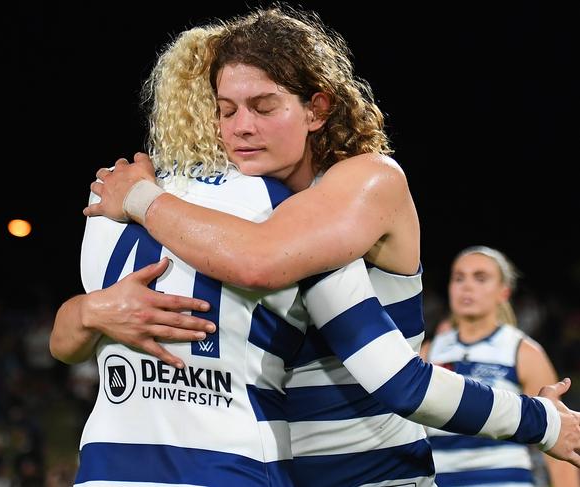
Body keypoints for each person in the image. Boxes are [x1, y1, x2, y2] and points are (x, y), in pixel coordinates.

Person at [56, 5, 580, 487]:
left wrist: (140, 196)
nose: (241, 128)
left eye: (264, 107)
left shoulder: (366, 179)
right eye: (227, 110)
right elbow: (74, 337)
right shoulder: (240, 212)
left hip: (376, 476)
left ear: (317, 109)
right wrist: (92, 310)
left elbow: (265, 263)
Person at [421, 246, 580, 487]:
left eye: (480, 278)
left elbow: (558, 443)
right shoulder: (428, 351)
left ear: (504, 292)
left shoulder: (523, 351)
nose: (467, 286)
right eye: (458, 278)